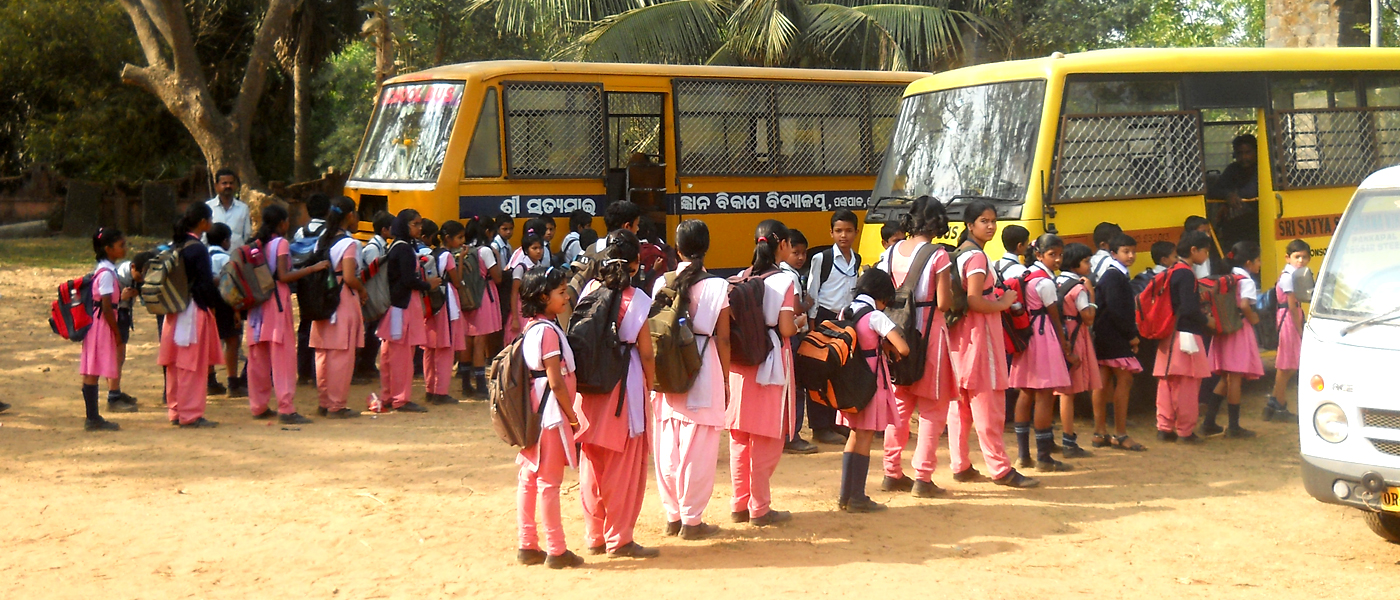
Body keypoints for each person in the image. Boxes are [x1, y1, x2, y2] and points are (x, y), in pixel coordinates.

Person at [574, 230, 660, 559]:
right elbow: (646, 352)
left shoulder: (591, 289)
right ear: (636, 264)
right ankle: (619, 537)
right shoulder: (636, 298)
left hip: (590, 388)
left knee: (592, 461)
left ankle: (594, 534)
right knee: (624, 467)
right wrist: (649, 385)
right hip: (624, 387)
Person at [947, 200, 1038, 488]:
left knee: (960, 406)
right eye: (984, 221)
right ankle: (1000, 469)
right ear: (969, 225)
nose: (990, 226)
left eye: (992, 220)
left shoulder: (960, 254)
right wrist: (1002, 302)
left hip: (958, 338)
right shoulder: (976, 258)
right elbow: (975, 299)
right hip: (980, 336)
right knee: (989, 405)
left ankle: (960, 465)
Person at [651, 220, 731, 541]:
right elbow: (723, 339)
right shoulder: (718, 286)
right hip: (703, 363)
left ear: (677, 248)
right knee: (698, 447)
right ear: (706, 246)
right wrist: (725, 379)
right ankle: (692, 520)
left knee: (667, 442)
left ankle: (673, 516)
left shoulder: (660, 283)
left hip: (667, 366)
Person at [877, 197, 957, 497]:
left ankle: (891, 471)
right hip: (929, 333)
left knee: (898, 405)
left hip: (894, 333)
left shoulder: (891, 251)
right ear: (938, 223)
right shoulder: (939, 255)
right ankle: (923, 476)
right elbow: (945, 302)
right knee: (933, 408)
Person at [727, 219, 799, 528]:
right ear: (781, 244)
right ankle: (760, 506)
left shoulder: (742, 277)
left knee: (740, 437)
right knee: (768, 436)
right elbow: (785, 327)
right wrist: (800, 322)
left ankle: (738, 503)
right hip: (771, 362)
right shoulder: (785, 281)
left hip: (741, 362)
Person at [513, 266, 584, 569]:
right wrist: (573, 417)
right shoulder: (548, 333)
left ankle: (527, 543)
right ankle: (556, 549)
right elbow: (556, 381)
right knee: (549, 482)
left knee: (529, 477)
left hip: (533, 413)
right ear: (543, 296)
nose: (566, 296)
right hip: (551, 415)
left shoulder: (530, 328)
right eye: (561, 292)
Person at [245, 205, 327, 424]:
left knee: (258, 359)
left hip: (256, 305)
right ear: (281, 222)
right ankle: (286, 408)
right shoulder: (280, 243)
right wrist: (312, 269)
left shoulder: (255, 243)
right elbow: (283, 275)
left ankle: (258, 405)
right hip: (276, 304)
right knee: (283, 358)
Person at [837, 269, 910, 512]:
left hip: (849, 380)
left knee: (853, 436)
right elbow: (904, 348)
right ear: (881, 295)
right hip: (871, 382)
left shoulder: (847, 310)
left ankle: (845, 495)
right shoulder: (875, 316)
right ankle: (858, 497)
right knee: (866, 437)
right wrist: (888, 344)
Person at [1010, 234, 1075, 472]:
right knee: (1045, 395)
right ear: (1039, 255)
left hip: (1026, 336)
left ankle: (1023, 455)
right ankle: (1044, 457)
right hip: (1043, 336)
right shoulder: (1046, 282)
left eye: (1060, 255)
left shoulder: (1023, 275)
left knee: (1025, 393)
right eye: (1052, 255)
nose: (1057, 260)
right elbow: (1055, 317)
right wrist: (1064, 343)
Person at [158, 202, 224, 428]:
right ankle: (191, 413)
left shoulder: (175, 245)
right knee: (192, 365)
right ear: (204, 223)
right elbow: (204, 283)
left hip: (174, 309)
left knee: (176, 363)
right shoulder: (197, 248)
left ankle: (176, 409)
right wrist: (217, 302)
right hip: (193, 310)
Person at [806, 209, 861, 445]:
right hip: (824, 319)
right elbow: (812, 292)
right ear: (831, 232)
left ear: (856, 232)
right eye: (838, 231)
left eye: (848, 230)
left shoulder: (856, 259)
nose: (843, 235)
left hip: (846, 321)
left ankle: (835, 422)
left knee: (840, 372)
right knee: (819, 372)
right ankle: (820, 426)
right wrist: (812, 326)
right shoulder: (823, 259)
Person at [309, 197, 367, 419]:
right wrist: (362, 291)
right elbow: (351, 277)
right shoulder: (349, 244)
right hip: (342, 298)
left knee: (323, 354)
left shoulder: (322, 239)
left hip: (322, 299)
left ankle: (324, 402)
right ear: (350, 215)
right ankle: (337, 404)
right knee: (342, 354)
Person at [378, 209, 439, 413]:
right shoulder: (403, 249)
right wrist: (427, 285)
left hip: (396, 306)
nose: (419, 228)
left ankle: (389, 395)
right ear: (405, 225)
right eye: (415, 224)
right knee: (402, 355)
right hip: (402, 307)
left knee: (389, 353)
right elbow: (407, 280)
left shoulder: (395, 246)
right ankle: (400, 398)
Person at [1155, 230, 1213, 444]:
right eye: (1205, 251)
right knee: (1188, 385)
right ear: (1194, 250)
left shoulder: (1170, 270)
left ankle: (1164, 427)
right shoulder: (1186, 273)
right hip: (1187, 335)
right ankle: (1185, 431)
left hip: (1168, 333)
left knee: (1166, 383)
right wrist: (1207, 321)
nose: (1206, 256)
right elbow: (1189, 308)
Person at [1202, 241, 1264, 438]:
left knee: (1226, 378)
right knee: (1235, 377)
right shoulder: (1247, 281)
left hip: (1224, 330)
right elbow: (1245, 304)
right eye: (1258, 260)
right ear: (1248, 262)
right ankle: (1234, 426)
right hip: (1239, 329)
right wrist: (1254, 318)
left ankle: (1209, 422)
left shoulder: (1228, 277)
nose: (1260, 264)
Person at [1091, 233, 1146, 452]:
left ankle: (1100, 432)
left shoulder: (1113, 275)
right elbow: (1117, 310)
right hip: (1115, 337)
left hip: (1104, 335)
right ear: (1113, 253)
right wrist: (1131, 334)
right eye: (1126, 251)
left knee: (1102, 383)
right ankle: (1120, 434)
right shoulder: (1115, 276)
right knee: (1124, 381)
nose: (1131, 255)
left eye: (1133, 251)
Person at [1054, 243, 1101, 457]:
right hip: (1075, 336)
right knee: (1069, 392)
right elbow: (1089, 318)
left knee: (1064, 391)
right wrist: (1091, 294)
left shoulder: (1056, 281)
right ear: (1075, 264)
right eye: (1086, 262)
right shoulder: (1079, 287)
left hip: (1058, 335)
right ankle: (1068, 440)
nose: (1089, 265)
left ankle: (1064, 438)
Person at [78, 227, 128, 431]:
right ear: (108, 248)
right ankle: (92, 417)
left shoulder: (102, 269)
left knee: (92, 368)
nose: (125, 249)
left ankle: (93, 416)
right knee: (93, 370)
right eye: (121, 245)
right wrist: (116, 333)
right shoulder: (107, 274)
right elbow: (107, 307)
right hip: (102, 325)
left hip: (96, 323)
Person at [780, 229, 817, 455]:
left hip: (780, 337)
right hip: (792, 334)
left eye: (803, 253)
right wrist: (807, 304)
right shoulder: (790, 276)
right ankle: (792, 435)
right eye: (796, 252)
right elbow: (794, 307)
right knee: (796, 389)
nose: (801, 257)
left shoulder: (776, 272)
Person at [1266, 239, 1311, 422]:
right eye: (1297, 256)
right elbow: (1292, 305)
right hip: (1289, 318)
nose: (1301, 260)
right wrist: (1299, 329)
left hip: (1290, 316)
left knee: (1288, 363)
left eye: (1304, 257)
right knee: (1288, 364)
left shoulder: (1294, 274)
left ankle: (1276, 401)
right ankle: (1278, 402)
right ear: (1288, 257)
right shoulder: (1289, 277)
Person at [424, 220, 467, 405]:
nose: (461, 241)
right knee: (445, 347)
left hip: (432, 301)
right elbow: (457, 281)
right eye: (459, 237)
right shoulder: (448, 256)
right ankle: (441, 391)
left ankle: (429, 389)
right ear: (448, 238)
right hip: (446, 301)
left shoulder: (431, 254)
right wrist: (461, 259)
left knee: (430, 348)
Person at [108, 250, 154, 412]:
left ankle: (115, 390)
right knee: (116, 355)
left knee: (120, 355)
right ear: (133, 267)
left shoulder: (134, 276)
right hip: (115, 314)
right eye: (141, 276)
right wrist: (122, 297)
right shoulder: (118, 276)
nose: (142, 280)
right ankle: (113, 397)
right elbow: (105, 301)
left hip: (123, 313)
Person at [461, 216, 503, 398]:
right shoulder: (485, 251)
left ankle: (465, 383)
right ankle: (480, 385)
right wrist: (498, 257)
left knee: (468, 339)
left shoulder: (465, 249)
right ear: (487, 232)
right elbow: (498, 277)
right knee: (480, 341)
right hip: (484, 296)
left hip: (466, 296)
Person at [295, 193, 332, 385]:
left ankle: (303, 371)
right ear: (328, 211)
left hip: (303, 281)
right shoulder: (329, 232)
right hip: (323, 283)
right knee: (323, 324)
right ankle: (320, 371)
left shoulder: (300, 232)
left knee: (305, 323)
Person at [205, 223, 244, 397]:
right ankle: (232, 382)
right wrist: (237, 309)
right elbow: (232, 286)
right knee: (232, 341)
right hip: (225, 303)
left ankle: (210, 380)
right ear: (226, 240)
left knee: (208, 340)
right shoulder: (227, 259)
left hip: (206, 302)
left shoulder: (204, 256)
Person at [355, 211, 395, 382]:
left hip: (376, 293)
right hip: (371, 294)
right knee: (369, 331)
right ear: (385, 230)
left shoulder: (382, 246)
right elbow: (372, 273)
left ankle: (368, 364)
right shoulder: (373, 248)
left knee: (373, 331)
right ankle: (363, 365)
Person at [1207, 134, 1261, 250]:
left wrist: (1233, 196)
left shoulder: (1262, 168)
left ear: (1256, 152)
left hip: (1259, 218)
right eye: (1240, 153)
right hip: (1237, 222)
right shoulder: (1233, 169)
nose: (1244, 157)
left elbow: (1251, 192)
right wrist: (1228, 195)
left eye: (1248, 152)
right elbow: (1214, 190)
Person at [505, 224, 546, 344]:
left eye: (540, 247)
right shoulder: (521, 268)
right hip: (520, 310)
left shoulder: (539, 267)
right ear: (526, 250)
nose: (539, 251)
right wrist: (515, 319)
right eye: (534, 248)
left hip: (533, 309)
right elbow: (514, 294)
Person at [206, 168, 252, 250]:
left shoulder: (243, 208)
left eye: (231, 183)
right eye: (224, 183)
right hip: (214, 259)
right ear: (216, 186)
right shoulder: (208, 207)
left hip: (236, 258)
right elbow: (203, 236)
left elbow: (246, 236)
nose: (228, 186)